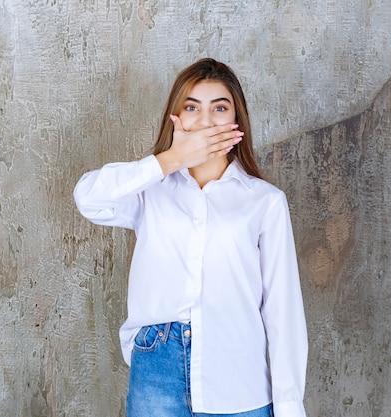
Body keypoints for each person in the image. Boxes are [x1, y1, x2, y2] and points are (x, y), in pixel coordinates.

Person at [73, 58, 307, 417]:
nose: (206, 120)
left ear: (236, 121)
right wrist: (171, 159)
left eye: (219, 108)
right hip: (157, 369)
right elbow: (89, 198)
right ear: (176, 117)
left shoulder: (265, 202)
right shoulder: (151, 189)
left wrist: (290, 407)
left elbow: (282, 311)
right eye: (192, 107)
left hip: (237, 377)